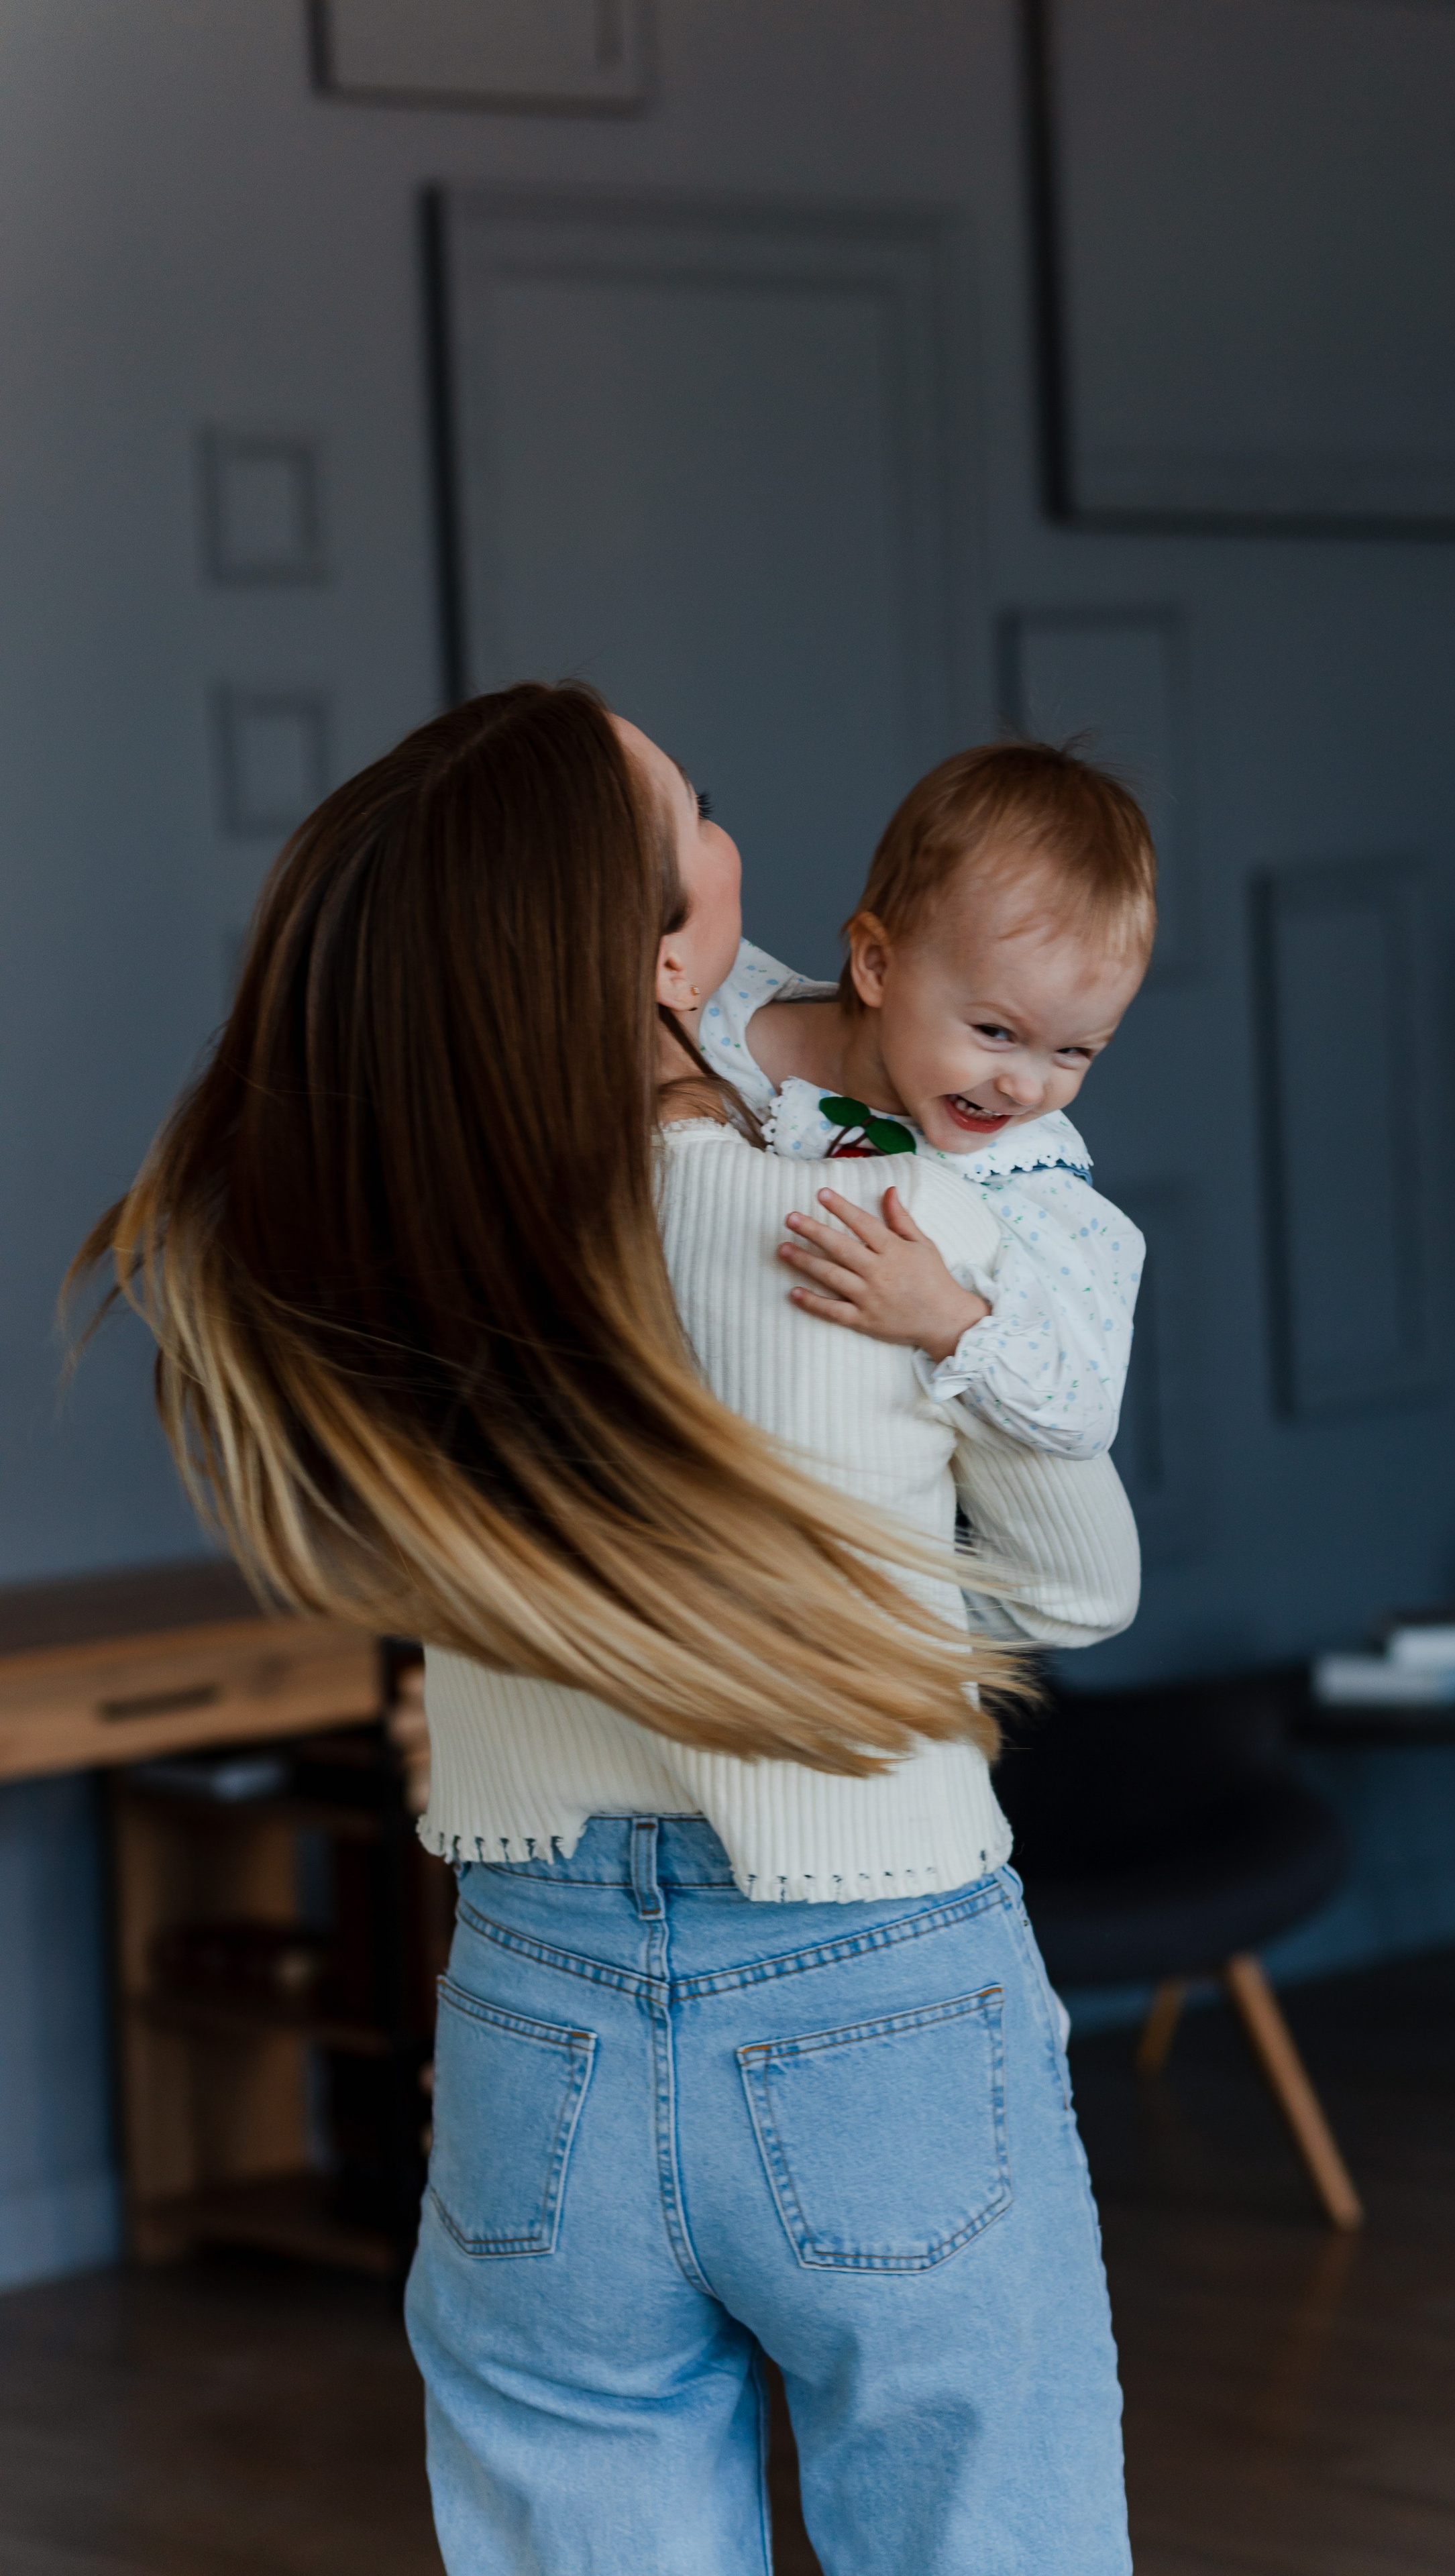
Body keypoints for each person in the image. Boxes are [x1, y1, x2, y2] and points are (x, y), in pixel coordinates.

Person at [70, 682, 1140, 2576]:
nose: (743, 854)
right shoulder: (886, 1234)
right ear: (663, 955)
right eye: (705, 823)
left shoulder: (412, 1262)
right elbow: (1075, 1593)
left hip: (530, 2004)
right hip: (871, 1982)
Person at [699, 741, 1155, 1462]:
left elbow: (1084, 1413)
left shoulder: (1026, 1182)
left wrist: (949, 1321)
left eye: (1074, 1051)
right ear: (877, 964)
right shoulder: (717, 1005)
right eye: (996, 1031)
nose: (1027, 1087)